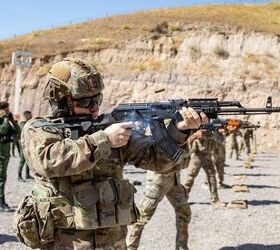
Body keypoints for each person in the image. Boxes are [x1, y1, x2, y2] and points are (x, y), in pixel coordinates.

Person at [14, 58, 207, 250]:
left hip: (113, 242)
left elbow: (158, 161)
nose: (95, 107)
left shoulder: (110, 129)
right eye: (87, 101)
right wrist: (104, 140)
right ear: (62, 100)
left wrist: (179, 131)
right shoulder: (39, 129)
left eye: (97, 99)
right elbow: (49, 161)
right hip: (64, 243)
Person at [127, 127, 191, 250]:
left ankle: (182, 247)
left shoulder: (177, 123)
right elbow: (153, 153)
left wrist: (188, 137)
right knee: (142, 217)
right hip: (158, 180)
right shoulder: (156, 125)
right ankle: (130, 247)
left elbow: (185, 154)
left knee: (184, 212)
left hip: (174, 179)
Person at [184, 130, 224, 207]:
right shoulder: (197, 128)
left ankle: (215, 199)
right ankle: (183, 198)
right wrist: (196, 134)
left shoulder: (214, 130)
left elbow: (222, 141)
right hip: (197, 156)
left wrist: (218, 132)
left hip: (207, 155)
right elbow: (188, 139)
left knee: (212, 177)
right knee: (190, 177)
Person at [0, 101, 20, 211]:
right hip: (1, 153)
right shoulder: (1, 120)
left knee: (3, 177)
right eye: (5, 109)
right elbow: (2, 130)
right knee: (1, 178)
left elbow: (18, 131)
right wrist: (6, 119)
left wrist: (12, 120)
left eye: (7, 109)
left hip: (5, 153)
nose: (7, 111)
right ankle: (1, 202)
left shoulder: (7, 120)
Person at [17, 110, 33, 181]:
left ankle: (27, 175)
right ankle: (19, 176)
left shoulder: (29, 123)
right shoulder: (23, 124)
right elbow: (23, 135)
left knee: (28, 160)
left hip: (29, 144)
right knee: (22, 161)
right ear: (26, 116)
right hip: (24, 145)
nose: (31, 116)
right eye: (30, 115)